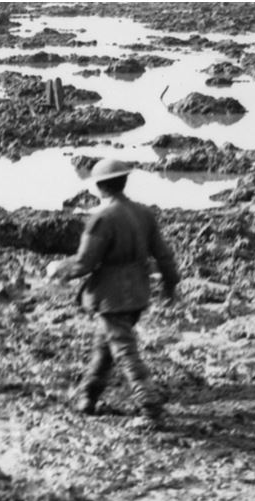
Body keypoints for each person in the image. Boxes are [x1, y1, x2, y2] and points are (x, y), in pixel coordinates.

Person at [46, 158, 180, 418]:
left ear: (98, 187)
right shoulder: (144, 213)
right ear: (124, 181)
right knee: (104, 346)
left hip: (111, 297)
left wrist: (59, 269)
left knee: (124, 350)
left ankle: (148, 401)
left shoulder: (101, 219)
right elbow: (164, 255)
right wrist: (170, 285)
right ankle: (88, 396)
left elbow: (85, 262)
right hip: (138, 294)